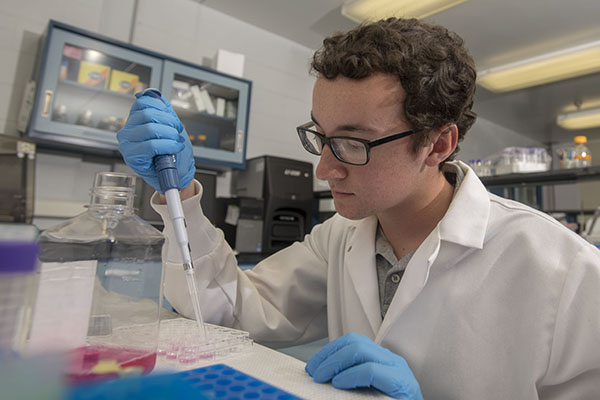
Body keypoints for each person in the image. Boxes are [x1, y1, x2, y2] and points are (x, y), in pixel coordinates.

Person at [117, 17, 600, 400]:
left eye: (352, 142)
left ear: (437, 144)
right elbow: (231, 312)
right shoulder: (340, 238)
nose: (324, 168)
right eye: (321, 137)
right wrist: (177, 192)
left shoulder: (564, 271)